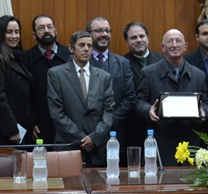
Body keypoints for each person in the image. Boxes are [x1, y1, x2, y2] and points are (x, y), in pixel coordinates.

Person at [135, 29, 208, 166]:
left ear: (185, 46)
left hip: (190, 143)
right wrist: (148, 110)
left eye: (178, 41)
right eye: (169, 41)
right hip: (160, 141)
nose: (174, 45)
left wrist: (203, 112)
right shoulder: (148, 73)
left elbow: (206, 103)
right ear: (163, 47)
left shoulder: (198, 75)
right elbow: (139, 101)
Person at [47, 31, 115, 167]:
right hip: (68, 147)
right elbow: (57, 112)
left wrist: (94, 138)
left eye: (89, 46)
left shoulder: (104, 77)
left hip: (97, 148)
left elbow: (109, 111)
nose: (86, 49)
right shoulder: (56, 74)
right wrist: (83, 139)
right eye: (81, 45)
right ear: (71, 48)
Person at [0, 15, 35, 145]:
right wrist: (11, 129)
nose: (14, 36)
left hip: (21, 125)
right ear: (0, 34)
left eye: (17, 32)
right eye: (9, 32)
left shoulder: (17, 56)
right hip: (3, 130)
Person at [87, 17, 135, 160]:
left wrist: (108, 124)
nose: (104, 34)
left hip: (116, 133)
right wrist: (96, 130)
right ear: (88, 34)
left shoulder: (123, 63)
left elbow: (129, 97)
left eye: (107, 30)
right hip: (87, 135)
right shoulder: (79, 62)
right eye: (98, 31)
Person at [23, 14, 71, 145]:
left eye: (50, 27)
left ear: (55, 31)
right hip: (39, 126)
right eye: (41, 28)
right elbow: (24, 96)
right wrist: (30, 124)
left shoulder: (70, 56)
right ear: (34, 35)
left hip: (69, 125)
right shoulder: (25, 58)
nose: (46, 30)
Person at [122, 21, 163, 148]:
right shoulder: (122, 63)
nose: (139, 40)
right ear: (126, 42)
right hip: (133, 127)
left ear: (147, 38)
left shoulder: (162, 60)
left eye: (142, 36)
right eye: (133, 38)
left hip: (161, 126)